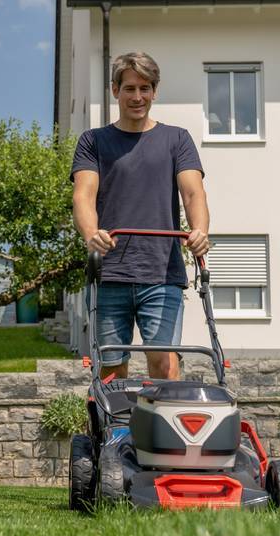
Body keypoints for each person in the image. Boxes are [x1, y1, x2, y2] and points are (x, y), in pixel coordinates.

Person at [71, 52, 211, 381]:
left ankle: (163, 431)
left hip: (162, 272)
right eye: (130, 88)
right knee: (112, 366)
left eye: (145, 88)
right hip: (110, 274)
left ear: (154, 91)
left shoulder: (176, 139)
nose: (138, 97)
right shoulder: (93, 141)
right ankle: (117, 431)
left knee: (164, 363)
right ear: (115, 90)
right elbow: (83, 195)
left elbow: (193, 193)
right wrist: (91, 233)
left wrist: (200, 230)